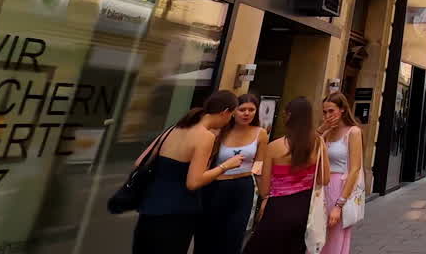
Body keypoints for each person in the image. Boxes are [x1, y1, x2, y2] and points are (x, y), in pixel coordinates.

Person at [132, 91, 244, 254]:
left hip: (150, 207)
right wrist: (225, 166)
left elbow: (140, 162)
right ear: (225, 112)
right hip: (177, 212)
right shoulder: (205, 137)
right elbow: (193, 182)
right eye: (232, 115)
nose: (229, 120)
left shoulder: (174, 129)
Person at [244, 97, 328, 254]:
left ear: (288, 116)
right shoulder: (318, 143)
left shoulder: (274, 147)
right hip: (305, 206)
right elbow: (324, 179)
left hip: (278, 207)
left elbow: (264, 190)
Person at [197, 93, 268, 254]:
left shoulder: (260, 133)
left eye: (251, 110)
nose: (247, 113)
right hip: (216, 186)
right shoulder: (219, 132)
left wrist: (265, 196)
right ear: (233, 111)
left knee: (234, 236)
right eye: (242, 109)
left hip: (243, 187)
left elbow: (259, 166)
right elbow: (207, 162)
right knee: (208, 234)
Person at [320, 93, 363, 254]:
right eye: (324, 112)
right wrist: (321, 129)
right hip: (322, 186)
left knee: (334, 236)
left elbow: (355, 169)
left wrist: (339, 204)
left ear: (343, 110)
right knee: (316, 236)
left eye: (331, 111)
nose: (328, 116)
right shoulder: (326, 133)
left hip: (340, 187)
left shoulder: (353, 132)